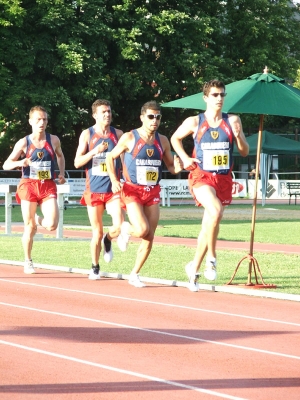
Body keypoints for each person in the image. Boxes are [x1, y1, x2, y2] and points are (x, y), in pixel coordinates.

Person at [171, 80, 249, 292]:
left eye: (222, 95)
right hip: (201, 176)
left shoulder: (232, 120)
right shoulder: (195, 121)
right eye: (215, 95)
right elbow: (175, 138)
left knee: (211, 222)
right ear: (205, 97)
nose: (219, 99)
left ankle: (194, 268)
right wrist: (185, 158)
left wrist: (240, 134)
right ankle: (212, 257)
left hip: (223, 178)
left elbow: (243, 152)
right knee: (215, 211)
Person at [106, 100, 183, 288]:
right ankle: (125, 228)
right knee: (141, 230)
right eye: (150, 117)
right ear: (142, 118)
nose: (154, 120)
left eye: (158, 117)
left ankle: (135, 273)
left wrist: (178, 167)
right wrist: (115, 180)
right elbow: (110, 157)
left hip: (152, 191)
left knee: (149, 236)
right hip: (132, 189)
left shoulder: (162, 140)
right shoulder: (129, 137)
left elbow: (171, 168)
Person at [3, 105, 66, 274]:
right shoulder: (24, 142)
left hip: (47, 185)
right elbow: (6, 164)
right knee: (29, 227)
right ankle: (28, 260)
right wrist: (19, 162)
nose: (42, 122)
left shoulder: (53, 140)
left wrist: (60, 173)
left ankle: (38, 219)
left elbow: (60, 156)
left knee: (52, 224)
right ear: (30, 121)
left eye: (44, 119)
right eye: (38, 119)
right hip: (29, 185)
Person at [74, 99, 124, 280]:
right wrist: (94, 152)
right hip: (94, 190)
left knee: (119, 226)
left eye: (109, 111)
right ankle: (95, 266)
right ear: (95, 115)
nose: (107, 115)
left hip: (113, 189)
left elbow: (126, 158)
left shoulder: (118, 134)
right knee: (97, 231)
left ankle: (108, 241)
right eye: (103, 112)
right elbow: (77, 162)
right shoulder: (87, 135)